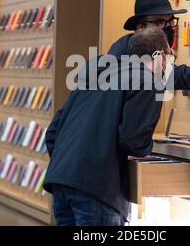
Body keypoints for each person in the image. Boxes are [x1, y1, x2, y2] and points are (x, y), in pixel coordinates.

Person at [43, 28, 173, 226]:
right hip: (97, 189)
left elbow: (53, 132)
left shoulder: (98, 75)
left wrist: (74, 167)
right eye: (171, 57)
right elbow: (132, 140)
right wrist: (147, 149)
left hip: (61, 180)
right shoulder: (149, 79)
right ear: (160, 55)